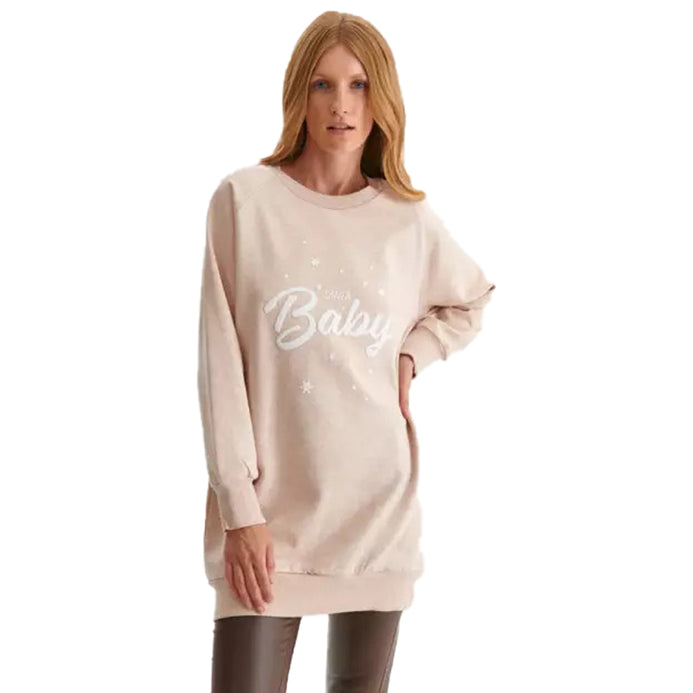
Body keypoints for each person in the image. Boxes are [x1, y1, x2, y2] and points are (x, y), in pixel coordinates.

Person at [196, 11, 496, 693]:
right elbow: (219, 367)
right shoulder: (245, 202)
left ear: (381, 97)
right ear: (298, 94)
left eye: (359, 85)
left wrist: (413, 352)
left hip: (377, 517)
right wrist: (240, 511)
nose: (341, 105)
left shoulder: (405, 218)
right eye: (323, 84)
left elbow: (471, 298)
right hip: (268, 522)